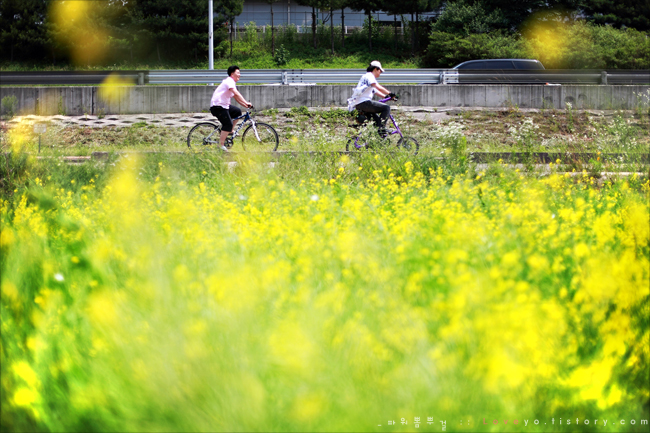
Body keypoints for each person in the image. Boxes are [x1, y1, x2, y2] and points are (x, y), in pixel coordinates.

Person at [210, 65, 253, 151]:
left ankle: (230, 130)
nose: (239, 75)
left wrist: (245, 105)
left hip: (224, 106)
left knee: (237, 111)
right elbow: (236, 94)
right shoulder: (229, 81)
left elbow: (236, 98)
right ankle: (220, 145)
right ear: (232, 74)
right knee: (228, 124)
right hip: (218, 106)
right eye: (238, 73)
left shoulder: (232, 83)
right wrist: (246, 102)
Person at [347, 60, 396, 136]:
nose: (380, 73)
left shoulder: (367, 77)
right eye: (380, 71)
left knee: (377, 121)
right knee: (386, 108)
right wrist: (390, 93)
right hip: (364, 103)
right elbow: (377, 86)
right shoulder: (369, 76)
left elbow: (375, 91)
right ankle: (382, 128)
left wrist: (386, 96)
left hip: (361, 103)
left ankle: (375, 138)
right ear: (376, 69)